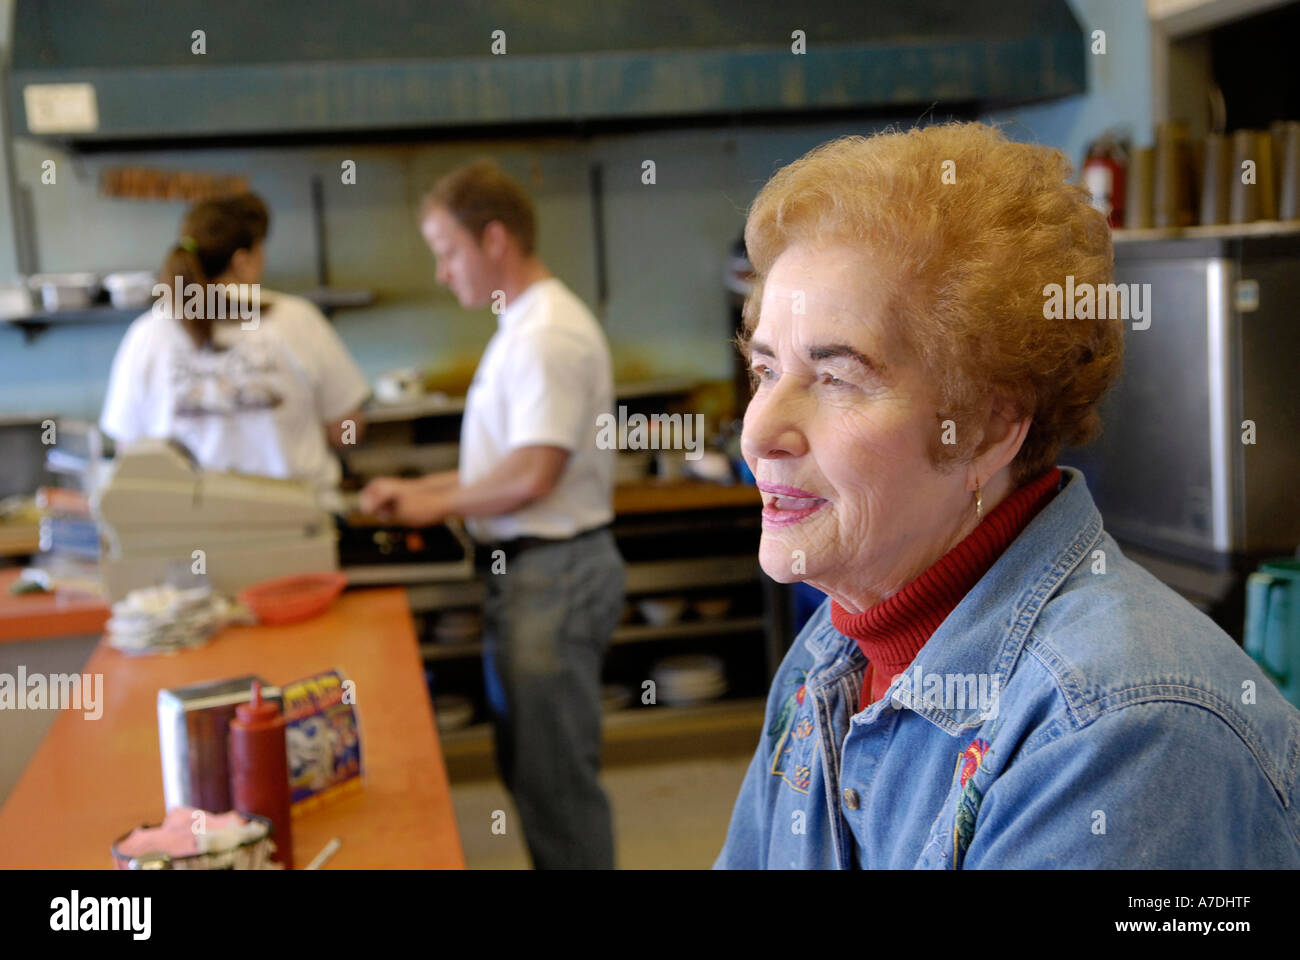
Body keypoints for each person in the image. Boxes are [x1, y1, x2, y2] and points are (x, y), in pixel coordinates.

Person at [715, 122, 1300, 869]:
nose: (760, 431)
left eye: (837, 377)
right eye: (766, 371)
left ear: (988, 430)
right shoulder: (830, 655)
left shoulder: (1122, 731)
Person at [360, 159, 624, 869]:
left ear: (495, 239)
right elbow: (504, 465)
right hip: (534, 575)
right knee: (533, 773)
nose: (443, 273)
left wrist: (431, 498)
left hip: (556, 573)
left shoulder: (547, 335)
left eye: (448, 251)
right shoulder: (523, 327)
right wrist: (418, 491)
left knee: (556, 788)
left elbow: (535, 473)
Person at [100, 194, 369, 503]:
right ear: (242, 261)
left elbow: (129, 450)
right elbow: (346, 430)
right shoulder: (297, 318)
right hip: (295, 522)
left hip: (189, 528)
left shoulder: (146, 334)